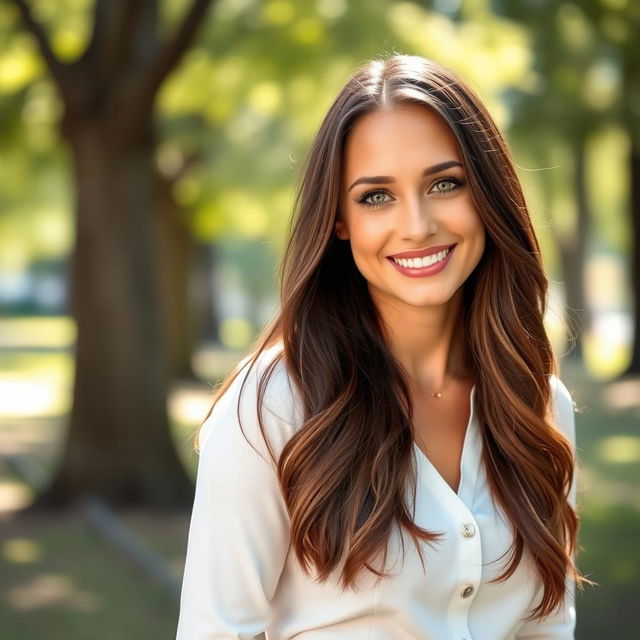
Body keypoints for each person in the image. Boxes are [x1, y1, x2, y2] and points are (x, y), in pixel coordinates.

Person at [175, 54, 591, 640]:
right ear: (339, 220)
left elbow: (547, 627)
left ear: (488, 196)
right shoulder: (270, 406)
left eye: (445, 184)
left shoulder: (539, 403)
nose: (417, 224)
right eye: (376, 196)